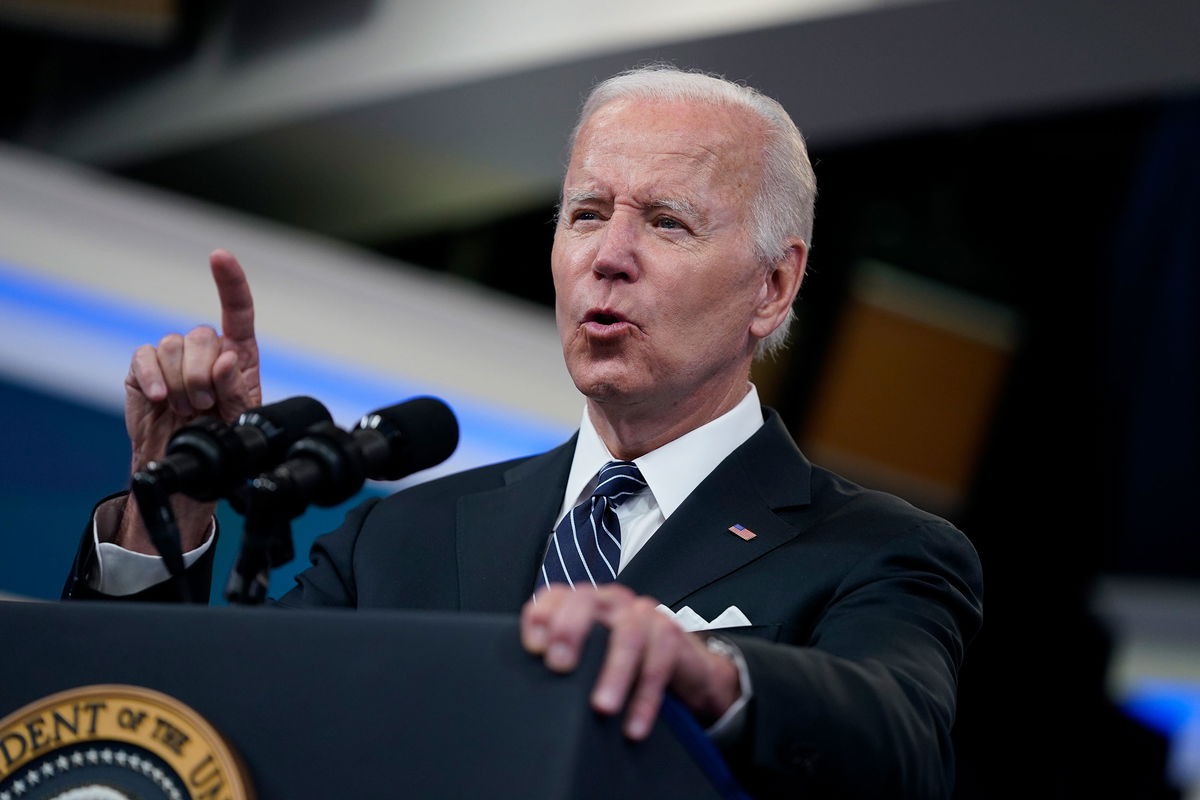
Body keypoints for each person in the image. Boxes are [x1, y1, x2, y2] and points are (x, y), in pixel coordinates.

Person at [65, 66, 983, 798]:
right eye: (586, 214)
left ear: (774, 287)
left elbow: (897, 743)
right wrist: (168, 504)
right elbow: (171, 739)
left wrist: (705, 673)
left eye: (665, 222)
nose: (608, 258)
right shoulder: (401, 538)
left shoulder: (878, 552)